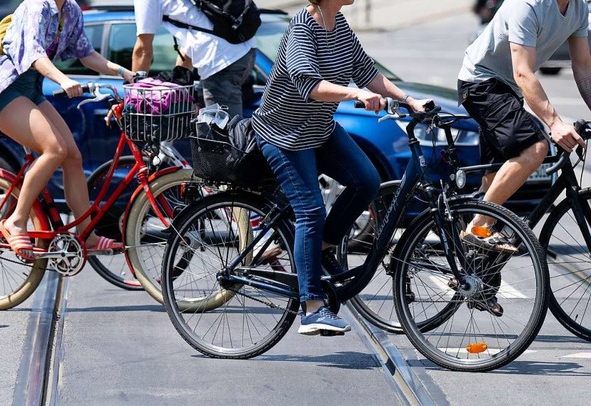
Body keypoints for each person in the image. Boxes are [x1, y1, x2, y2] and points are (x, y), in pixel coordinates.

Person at [252, 0, 430, 335]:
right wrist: (355, 95)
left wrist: (409, 100)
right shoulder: (303, 27)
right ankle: (311, 307)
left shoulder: (339, 24)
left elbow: (367, 71)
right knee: (310, 211)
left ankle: (320, 248)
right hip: (285, 134)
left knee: (367, 181)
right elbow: (309, 84)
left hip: (319, 130)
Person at [0, 0, 135, 260]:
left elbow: (86, 54)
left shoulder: (70, 10)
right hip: (4, 90)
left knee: (72, 156)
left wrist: (122, 72)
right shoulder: (36, 7)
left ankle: (87, 234)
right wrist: (63, 79)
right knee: (55, 149)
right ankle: (15, 220)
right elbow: (34, 54)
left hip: (31, 91)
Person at [457, 0, 591, 314]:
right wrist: (555, 123)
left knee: (495, 194)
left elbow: (583, 68)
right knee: (535, 147)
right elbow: (523, 72)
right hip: (482, 83)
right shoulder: (527, 4)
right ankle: (475, 229)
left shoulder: (579, 8)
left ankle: (476, 272)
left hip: (507, 91)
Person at [131, 0, 257, 118]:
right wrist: (179, 79)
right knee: (202, 122)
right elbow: (194, 36)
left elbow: (142, 50)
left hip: (221, 61)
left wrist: (134, 95)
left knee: (222, 132)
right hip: (244, 50)